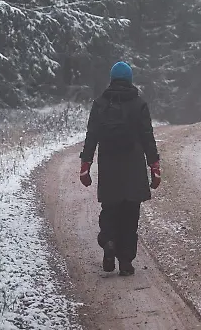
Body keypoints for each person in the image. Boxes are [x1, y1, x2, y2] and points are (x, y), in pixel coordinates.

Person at [79, 61, 161, 276]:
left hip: (109, 167)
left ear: (112, 79)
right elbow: (147, 138)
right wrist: (154, 165)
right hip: (133, 167)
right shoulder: (139, 104)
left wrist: (85, 164)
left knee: (110, 208)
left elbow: (92, 136)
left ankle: (108, 241)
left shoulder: (100, 104)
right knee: (130, 214)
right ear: (130, 79)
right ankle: (125, 261)